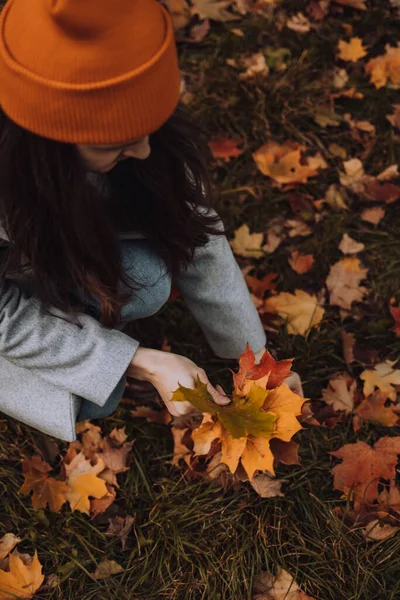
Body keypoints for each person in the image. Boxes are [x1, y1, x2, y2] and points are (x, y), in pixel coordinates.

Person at [0, 0, 302, 442]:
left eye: (150, 129)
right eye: (118, 143)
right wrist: (139, 360)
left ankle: (77, 329)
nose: (143, 152)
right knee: (86, 396)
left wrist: (255, 361)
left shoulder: (144, 139)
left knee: (144, 279)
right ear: (46, 146)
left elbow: (196, 234)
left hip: (41, 254)